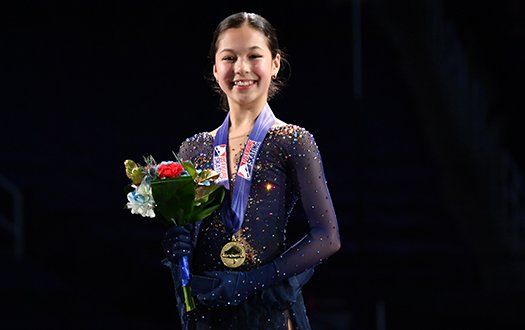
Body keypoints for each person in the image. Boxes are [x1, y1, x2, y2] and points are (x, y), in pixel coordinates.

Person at [162, 11, 340, 330]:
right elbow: (193, 237)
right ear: (216, 68)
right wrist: (180, 248)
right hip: (211, 312)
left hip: (267, 312)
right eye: (229, 57)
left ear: (274, 63)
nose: (241, 68)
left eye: (254, 56)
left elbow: (327, 237)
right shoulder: (195, 148)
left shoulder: (293, 141)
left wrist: (252, 281)